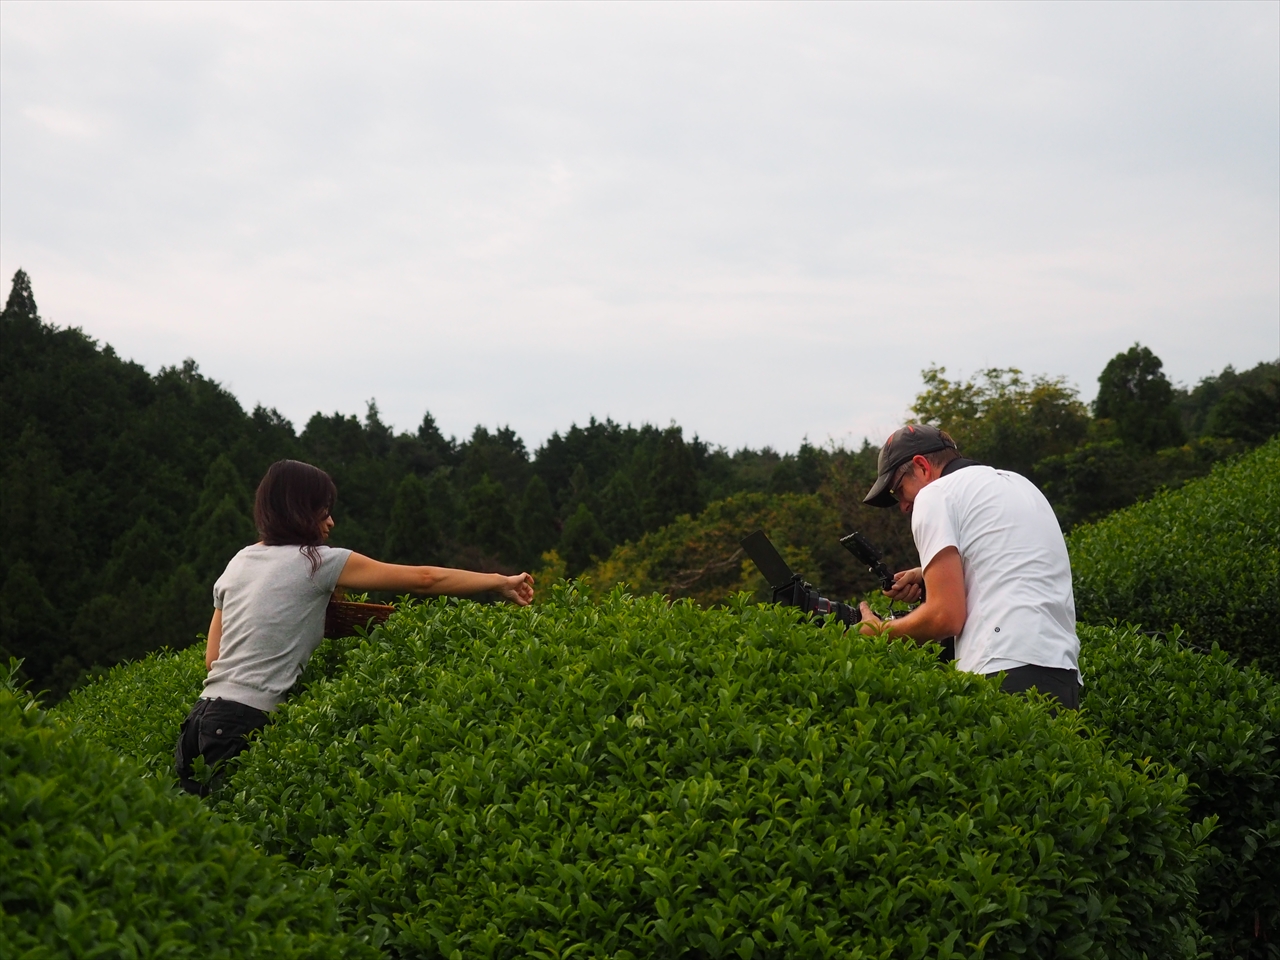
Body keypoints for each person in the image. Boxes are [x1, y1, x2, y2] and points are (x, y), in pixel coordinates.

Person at [175, 459, 534, 795]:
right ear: (301, 509)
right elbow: (424, 579)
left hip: (199, 719)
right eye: (324, 510)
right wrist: (499, 582)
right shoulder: (317, 562)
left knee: (199, 831)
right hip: (241, 723)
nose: (331, 522)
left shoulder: (239, 561)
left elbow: (212, 658)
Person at [856, 424, 1080, 711]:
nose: (903, 506)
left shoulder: (935, 494)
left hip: (1000, 668)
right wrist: (927, 574)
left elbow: (946, 617)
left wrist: (880, 632)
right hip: (1062, 673)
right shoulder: (1020, 485)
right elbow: (1011, 559)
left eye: (898, 490)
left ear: (922, 466)